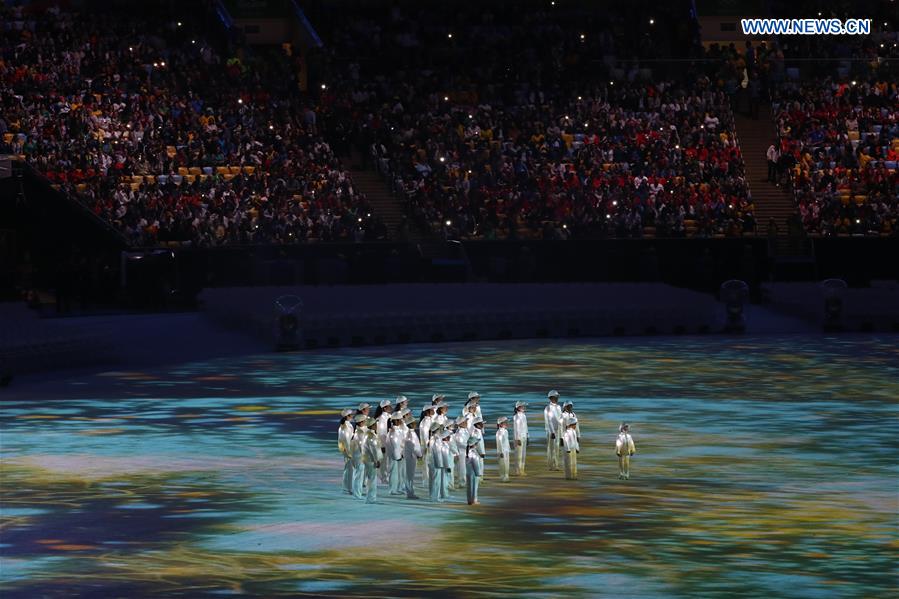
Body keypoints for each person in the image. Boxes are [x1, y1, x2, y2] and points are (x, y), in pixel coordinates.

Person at [403, 415, 423, 499]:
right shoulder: (409, 434)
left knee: (410, 475)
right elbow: (413, 447)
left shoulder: (412, 432)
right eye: (414, 422)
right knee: (409, 475)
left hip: (412, 456)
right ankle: (409, 493)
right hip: (410, 457)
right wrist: (419, 454)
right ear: (410, 424)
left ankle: (410, 491)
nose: (416, 424)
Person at [362, 417, 381, 504]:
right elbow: (374, 450)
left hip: (367, 460)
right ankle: (371, 498)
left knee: (370, 478)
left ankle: (370, 497)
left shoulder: (367, 434)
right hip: (371, 460)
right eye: (375, 424)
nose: (377, 425)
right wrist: (377, 460)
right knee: (372, 479)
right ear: (372, 425)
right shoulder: (371, 436)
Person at [350, 413, 368, 500]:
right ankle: (357, 494)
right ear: (361, 422)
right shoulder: (360, 433)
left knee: (357, 475)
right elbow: (362, 446)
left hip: (358, 456)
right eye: (365, 421)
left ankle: (357, 492)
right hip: (359, 457)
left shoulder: (359, 431)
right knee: (358, 476)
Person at [386, 415, 405, 495]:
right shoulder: (393, 432)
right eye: (400, 419)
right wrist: (398, 456)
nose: (402, 420)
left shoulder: (397, 430)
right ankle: (392, 489)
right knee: (393, 473)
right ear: (396, 421)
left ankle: (397, 488)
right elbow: (395, 445)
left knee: (398, 473)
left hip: (399, 454)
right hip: (395, 456)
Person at [544, 390, 563, 470]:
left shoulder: (558, 407)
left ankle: (556, 464)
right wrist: (552, 432)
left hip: (558, 429)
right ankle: (550, 465)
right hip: (550, 430)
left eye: (557, 397)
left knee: (557, 447)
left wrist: (561, 428)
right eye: (556, 397)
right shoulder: (548, 408)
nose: (557, 398)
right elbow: (549, 420)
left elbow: (561, 418)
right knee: (551, 448)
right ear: (551, 398)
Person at [374, 399, 393, 483]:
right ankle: (383, 478)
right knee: (384, 461)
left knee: (386, 461)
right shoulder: (381, 419)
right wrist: (383, 445)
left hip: (388, 442)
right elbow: (381, 433)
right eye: (389, 406)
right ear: (385, 408)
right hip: (384, 443)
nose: (391, 407)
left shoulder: (389, 416)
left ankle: (385, 477)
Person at [338, 409, 355, 495]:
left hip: (346, 449)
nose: (353, 416)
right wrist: (349, 452)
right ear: (347, 416)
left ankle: (347, 487)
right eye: (351, 415)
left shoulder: (346, 425)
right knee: (349, 469)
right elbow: (347, 440)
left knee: (348, 469)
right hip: (348, 450)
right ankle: (348, 488)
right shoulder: (345, 426)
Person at [418, 405, 435, 490]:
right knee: (427, 464)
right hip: (427, 446)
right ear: (428, 411)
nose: (434, 410)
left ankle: (428, 481)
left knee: (429, 463)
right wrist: (428, 444)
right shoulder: (425, 422)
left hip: (430, 445)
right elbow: (425, 434)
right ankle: (426, 481)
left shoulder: (429, 420)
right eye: (432, 409)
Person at [429, 424, 447, 502]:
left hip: (432, 461)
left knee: (433, 479)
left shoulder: (432, 438)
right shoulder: (436, 439)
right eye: (440, 429)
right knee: (436, 480)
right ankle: (435, 497)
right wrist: (440, 464)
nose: (441, 430)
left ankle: (433, 495)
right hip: (436, 462)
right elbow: (437, 453)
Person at [466, 436, 484, 505]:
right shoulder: (473, 453)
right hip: (473, 472)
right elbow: (476, 464)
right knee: (474, 486)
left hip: (469, 472)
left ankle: (470, 500)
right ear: (473, 444)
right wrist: (478, 473)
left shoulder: (468, 452)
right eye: (476, 443)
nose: (477, 444)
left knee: (469, 486)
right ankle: (474, 500)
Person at [453, 416, 471, 488]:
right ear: (460, 424)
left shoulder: (465, 431)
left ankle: (465, 482)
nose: (466, 423)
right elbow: (460, 444)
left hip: (466, 452)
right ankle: (462, 483)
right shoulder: (459, 433)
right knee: (462, 468)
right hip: (461, 453)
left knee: (466, 468)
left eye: (466, 421)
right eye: (465, 422)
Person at [512, 400, 528, 476]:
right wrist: (517, 438)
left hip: (524, 436)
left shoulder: (524, 415)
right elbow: (517, 429)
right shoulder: (516, 417)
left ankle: (522, 469)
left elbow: (526, 427)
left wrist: (528, 436)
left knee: (523, 454)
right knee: (518, 454)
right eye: (522, 406)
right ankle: (518, 470)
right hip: (519, 437)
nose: (524, 407)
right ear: (518, 408)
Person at [495, 416, 511, 482]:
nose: (507, 424)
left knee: (507, 463)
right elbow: (500, 443)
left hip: (506, 449)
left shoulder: (505, 431)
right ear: (501, 424)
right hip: (502, 451)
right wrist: (501, 451)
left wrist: (508, 448)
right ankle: (503, 476)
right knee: (502, 463)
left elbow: (506, 441)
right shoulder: (499, 432)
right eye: (505, 423)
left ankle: (506, 475)